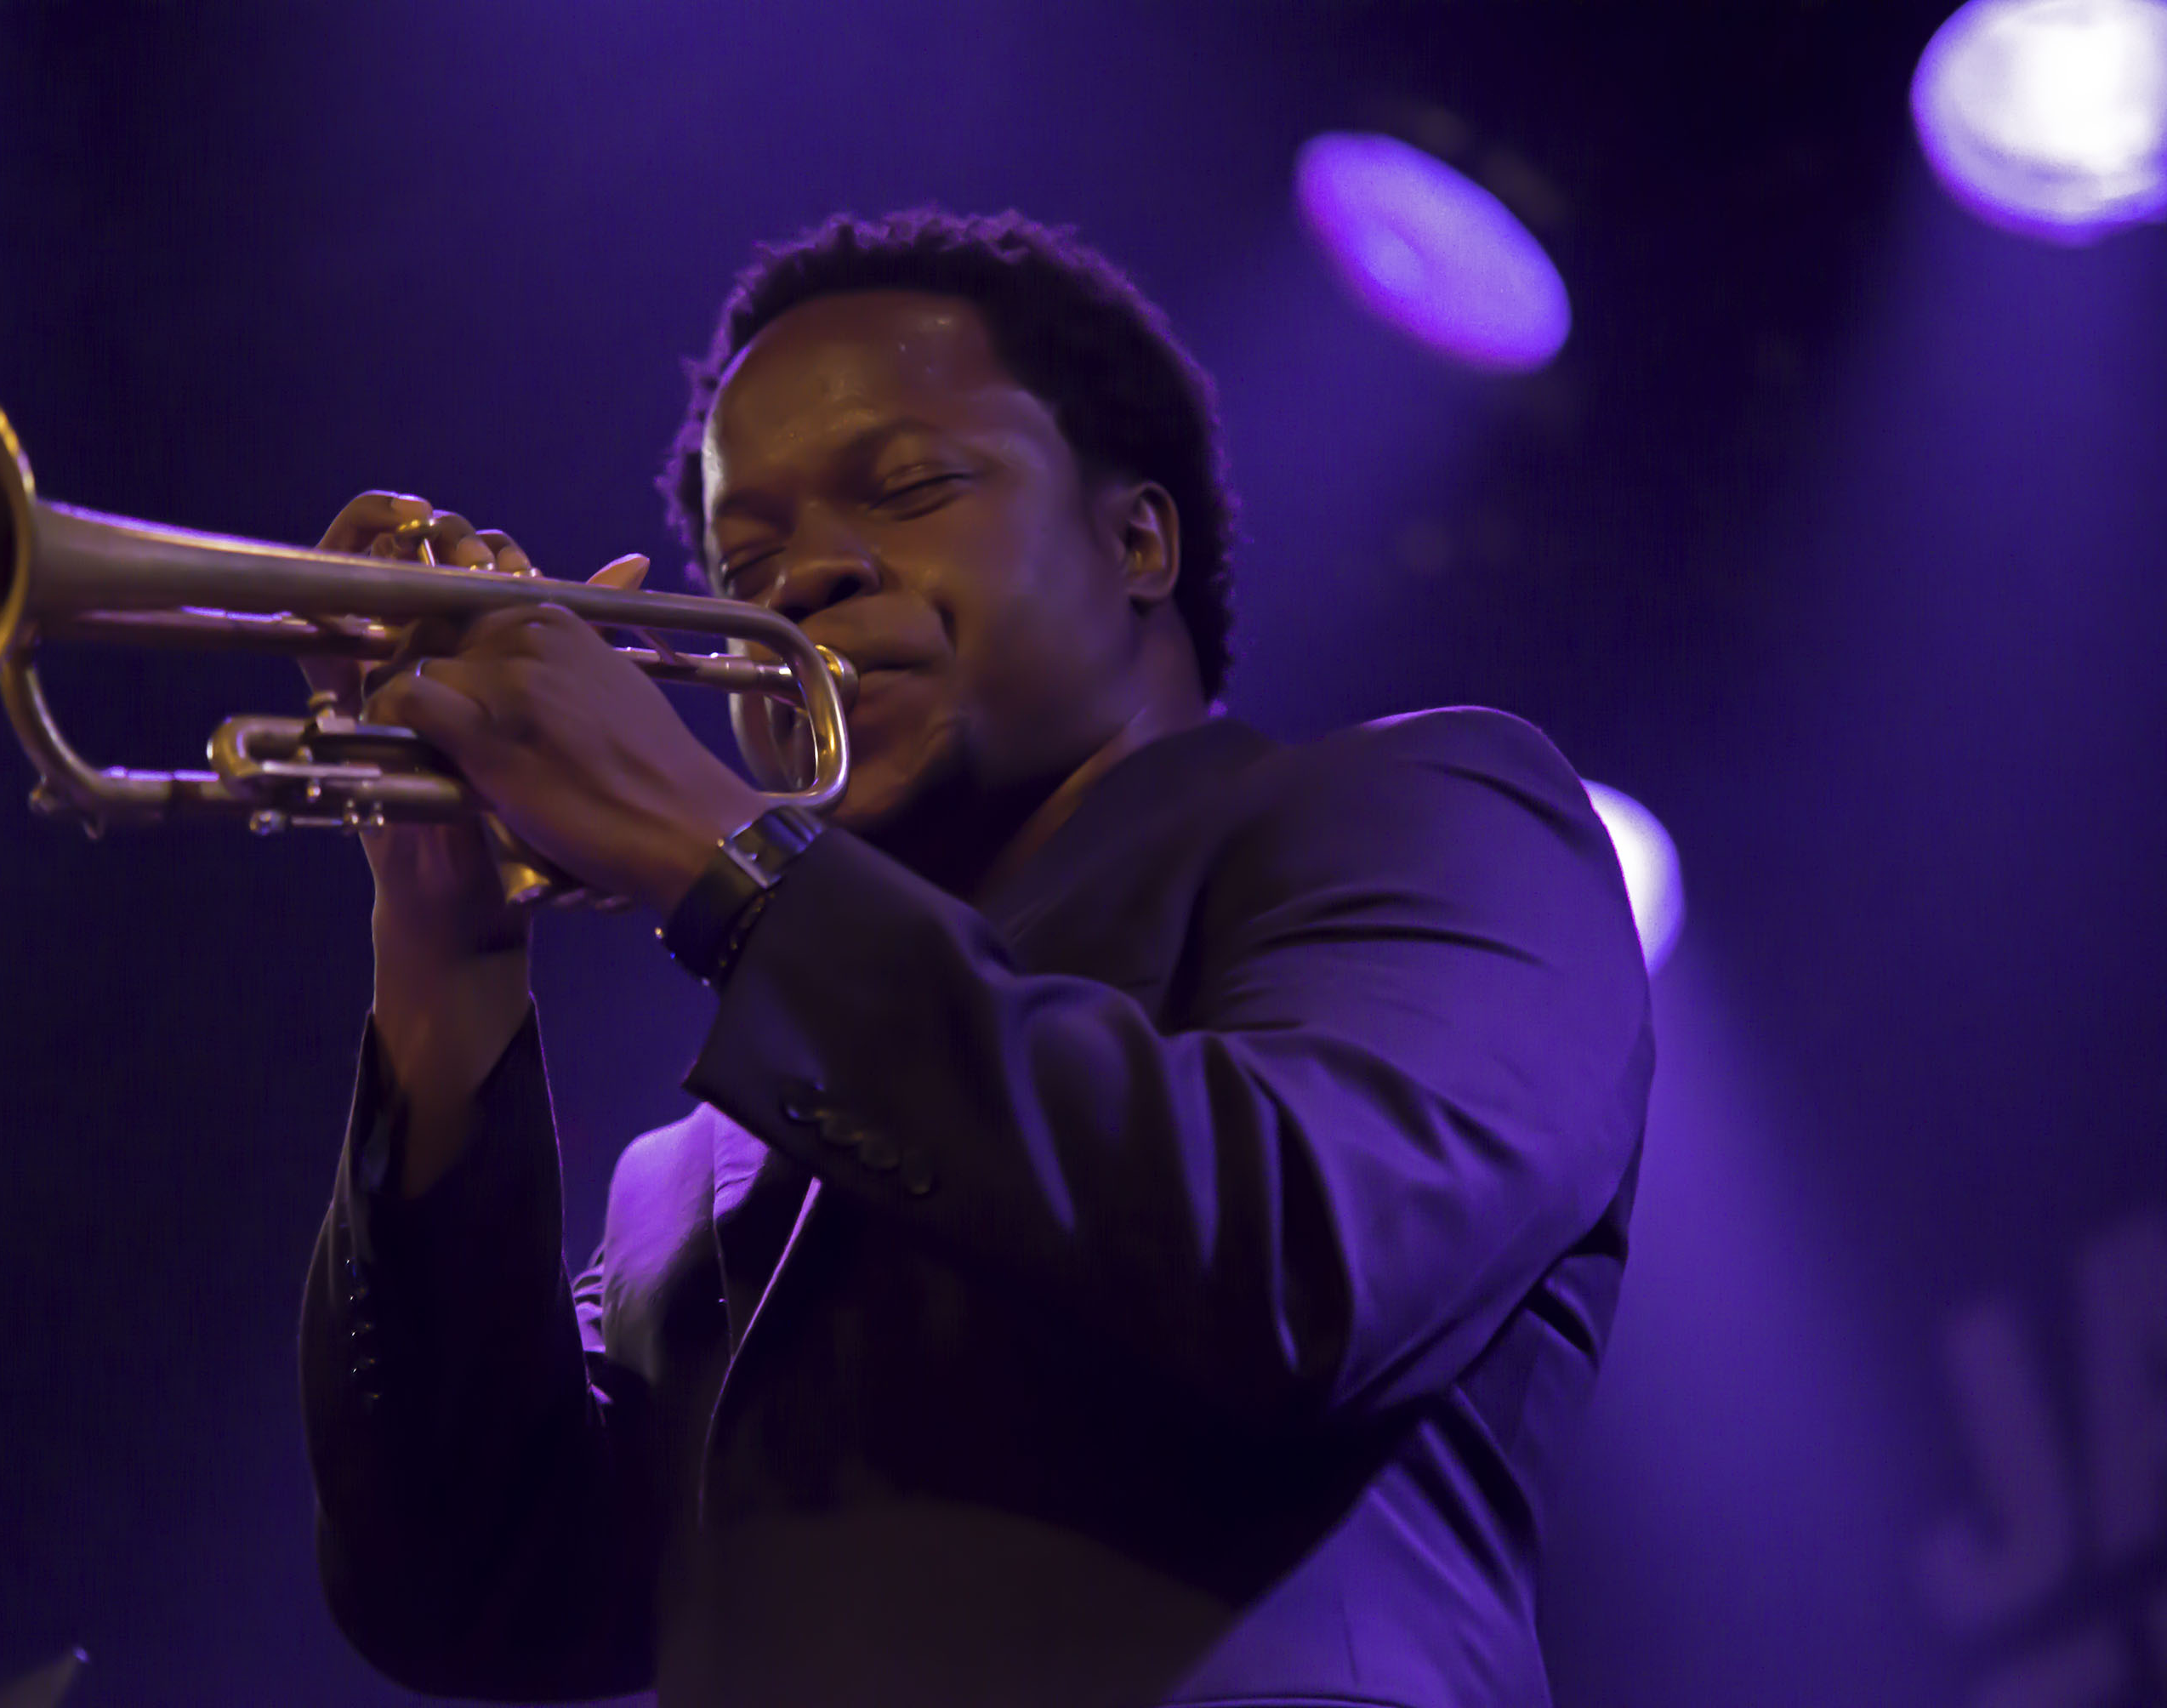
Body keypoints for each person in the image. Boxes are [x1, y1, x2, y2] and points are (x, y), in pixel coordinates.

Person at [296, 208, 1654, 1708]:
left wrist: (723, 859)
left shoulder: (1433, 813)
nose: (800, 582)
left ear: (1138, 540)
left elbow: (1302, 1262)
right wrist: (444, 954)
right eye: (747, 556)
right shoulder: (682, 1179)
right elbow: (473, 1599)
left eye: (912, 487)